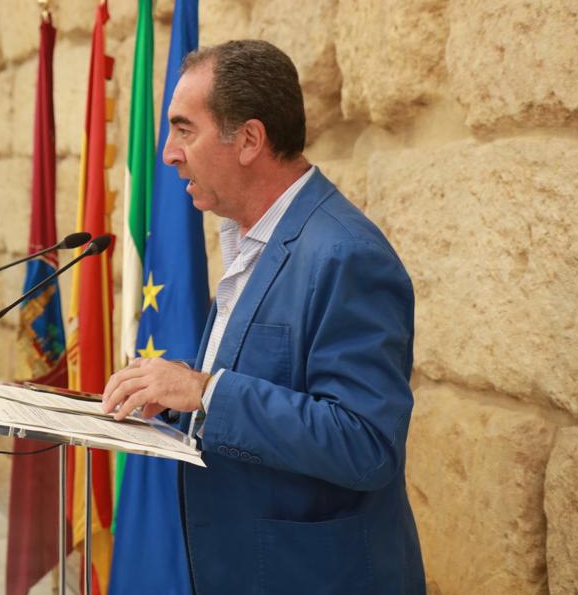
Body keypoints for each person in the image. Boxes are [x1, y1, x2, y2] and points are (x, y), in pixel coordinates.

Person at [102, 40, 425, 594]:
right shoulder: (249, 238)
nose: (168, 154)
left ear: (249, 139)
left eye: (185, 130)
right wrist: (181, 397)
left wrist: (205, 392)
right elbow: (265, 383)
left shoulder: (345, 253)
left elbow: (366, 444)